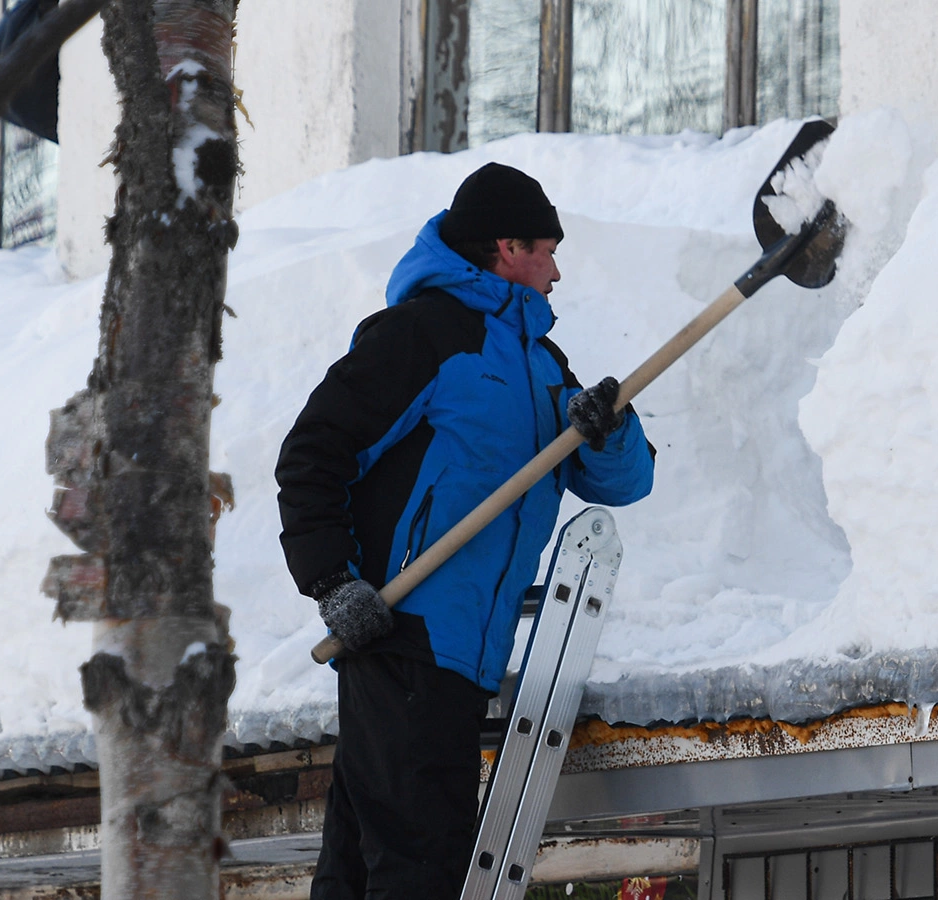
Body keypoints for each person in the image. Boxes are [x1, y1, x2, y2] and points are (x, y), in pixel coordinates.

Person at [275, 162, 655, 899]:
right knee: (420, 868)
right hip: (404, 637)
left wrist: (607, 430)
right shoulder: (422, 337)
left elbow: (623, 484)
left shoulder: (542, 367)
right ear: (504, 249)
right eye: (545, 249)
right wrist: (333, 582)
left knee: (360, 871)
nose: (556, 269)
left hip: (463, 662)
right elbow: (314, 454)